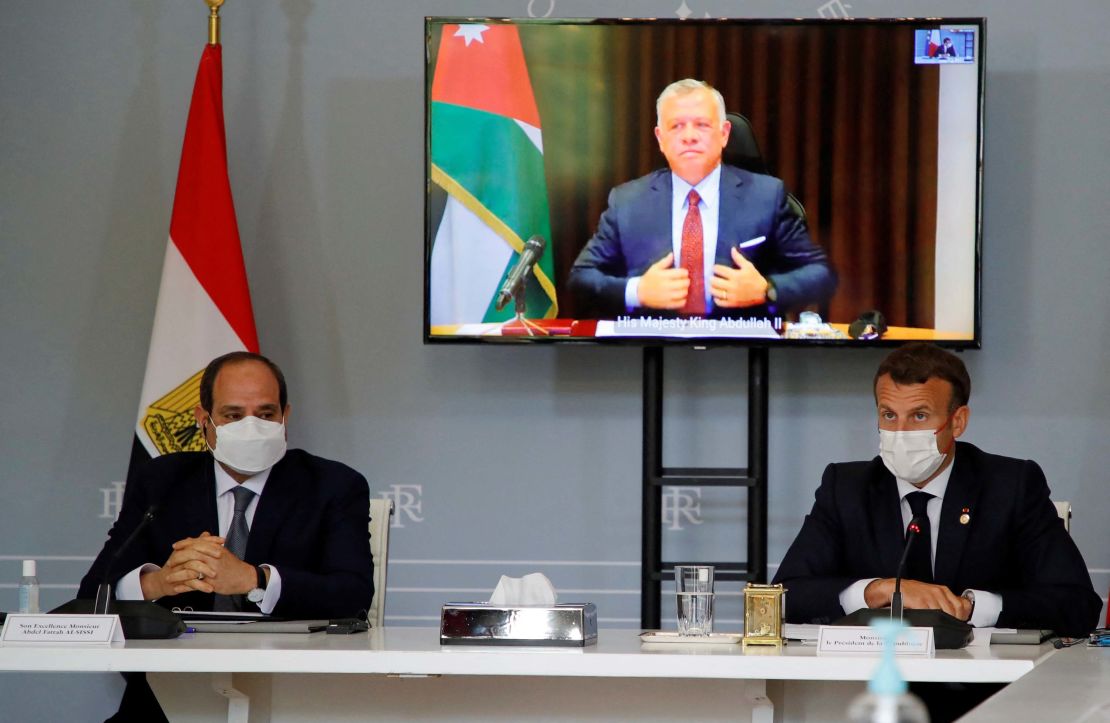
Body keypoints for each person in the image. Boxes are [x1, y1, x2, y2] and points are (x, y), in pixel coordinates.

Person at [773, 343, 1101, 720]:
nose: (899, 432)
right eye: (888, 415)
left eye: (919, 416)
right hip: (866, 694)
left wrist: (975, 606)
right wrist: (874, 590)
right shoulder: (846, 486)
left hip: (992, 698)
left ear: (958, 421)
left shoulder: (1011, 485)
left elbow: (1077, 605)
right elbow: (785, 595)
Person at [79, 351, 373, 721]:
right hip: (168, 695)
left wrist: (256, 579)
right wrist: (155, 584)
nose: (251, 427)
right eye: (233, 415)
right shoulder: (161, 482)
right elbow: (91, 596)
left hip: (296, 694)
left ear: (286, 417)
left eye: (266, 414)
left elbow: (354, 594)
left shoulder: (332, 485)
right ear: (204, 420)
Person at [567, 79, 836, 320]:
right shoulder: (627, 201)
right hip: (652, 350)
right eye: (677, 126)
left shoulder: (766, 196)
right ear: (660, 139)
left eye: (702, 125)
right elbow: (581, 279)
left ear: (724, 134)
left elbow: (821, 274)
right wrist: (637, 291)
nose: (689, 136)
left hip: (742, 352)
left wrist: (768, 290)